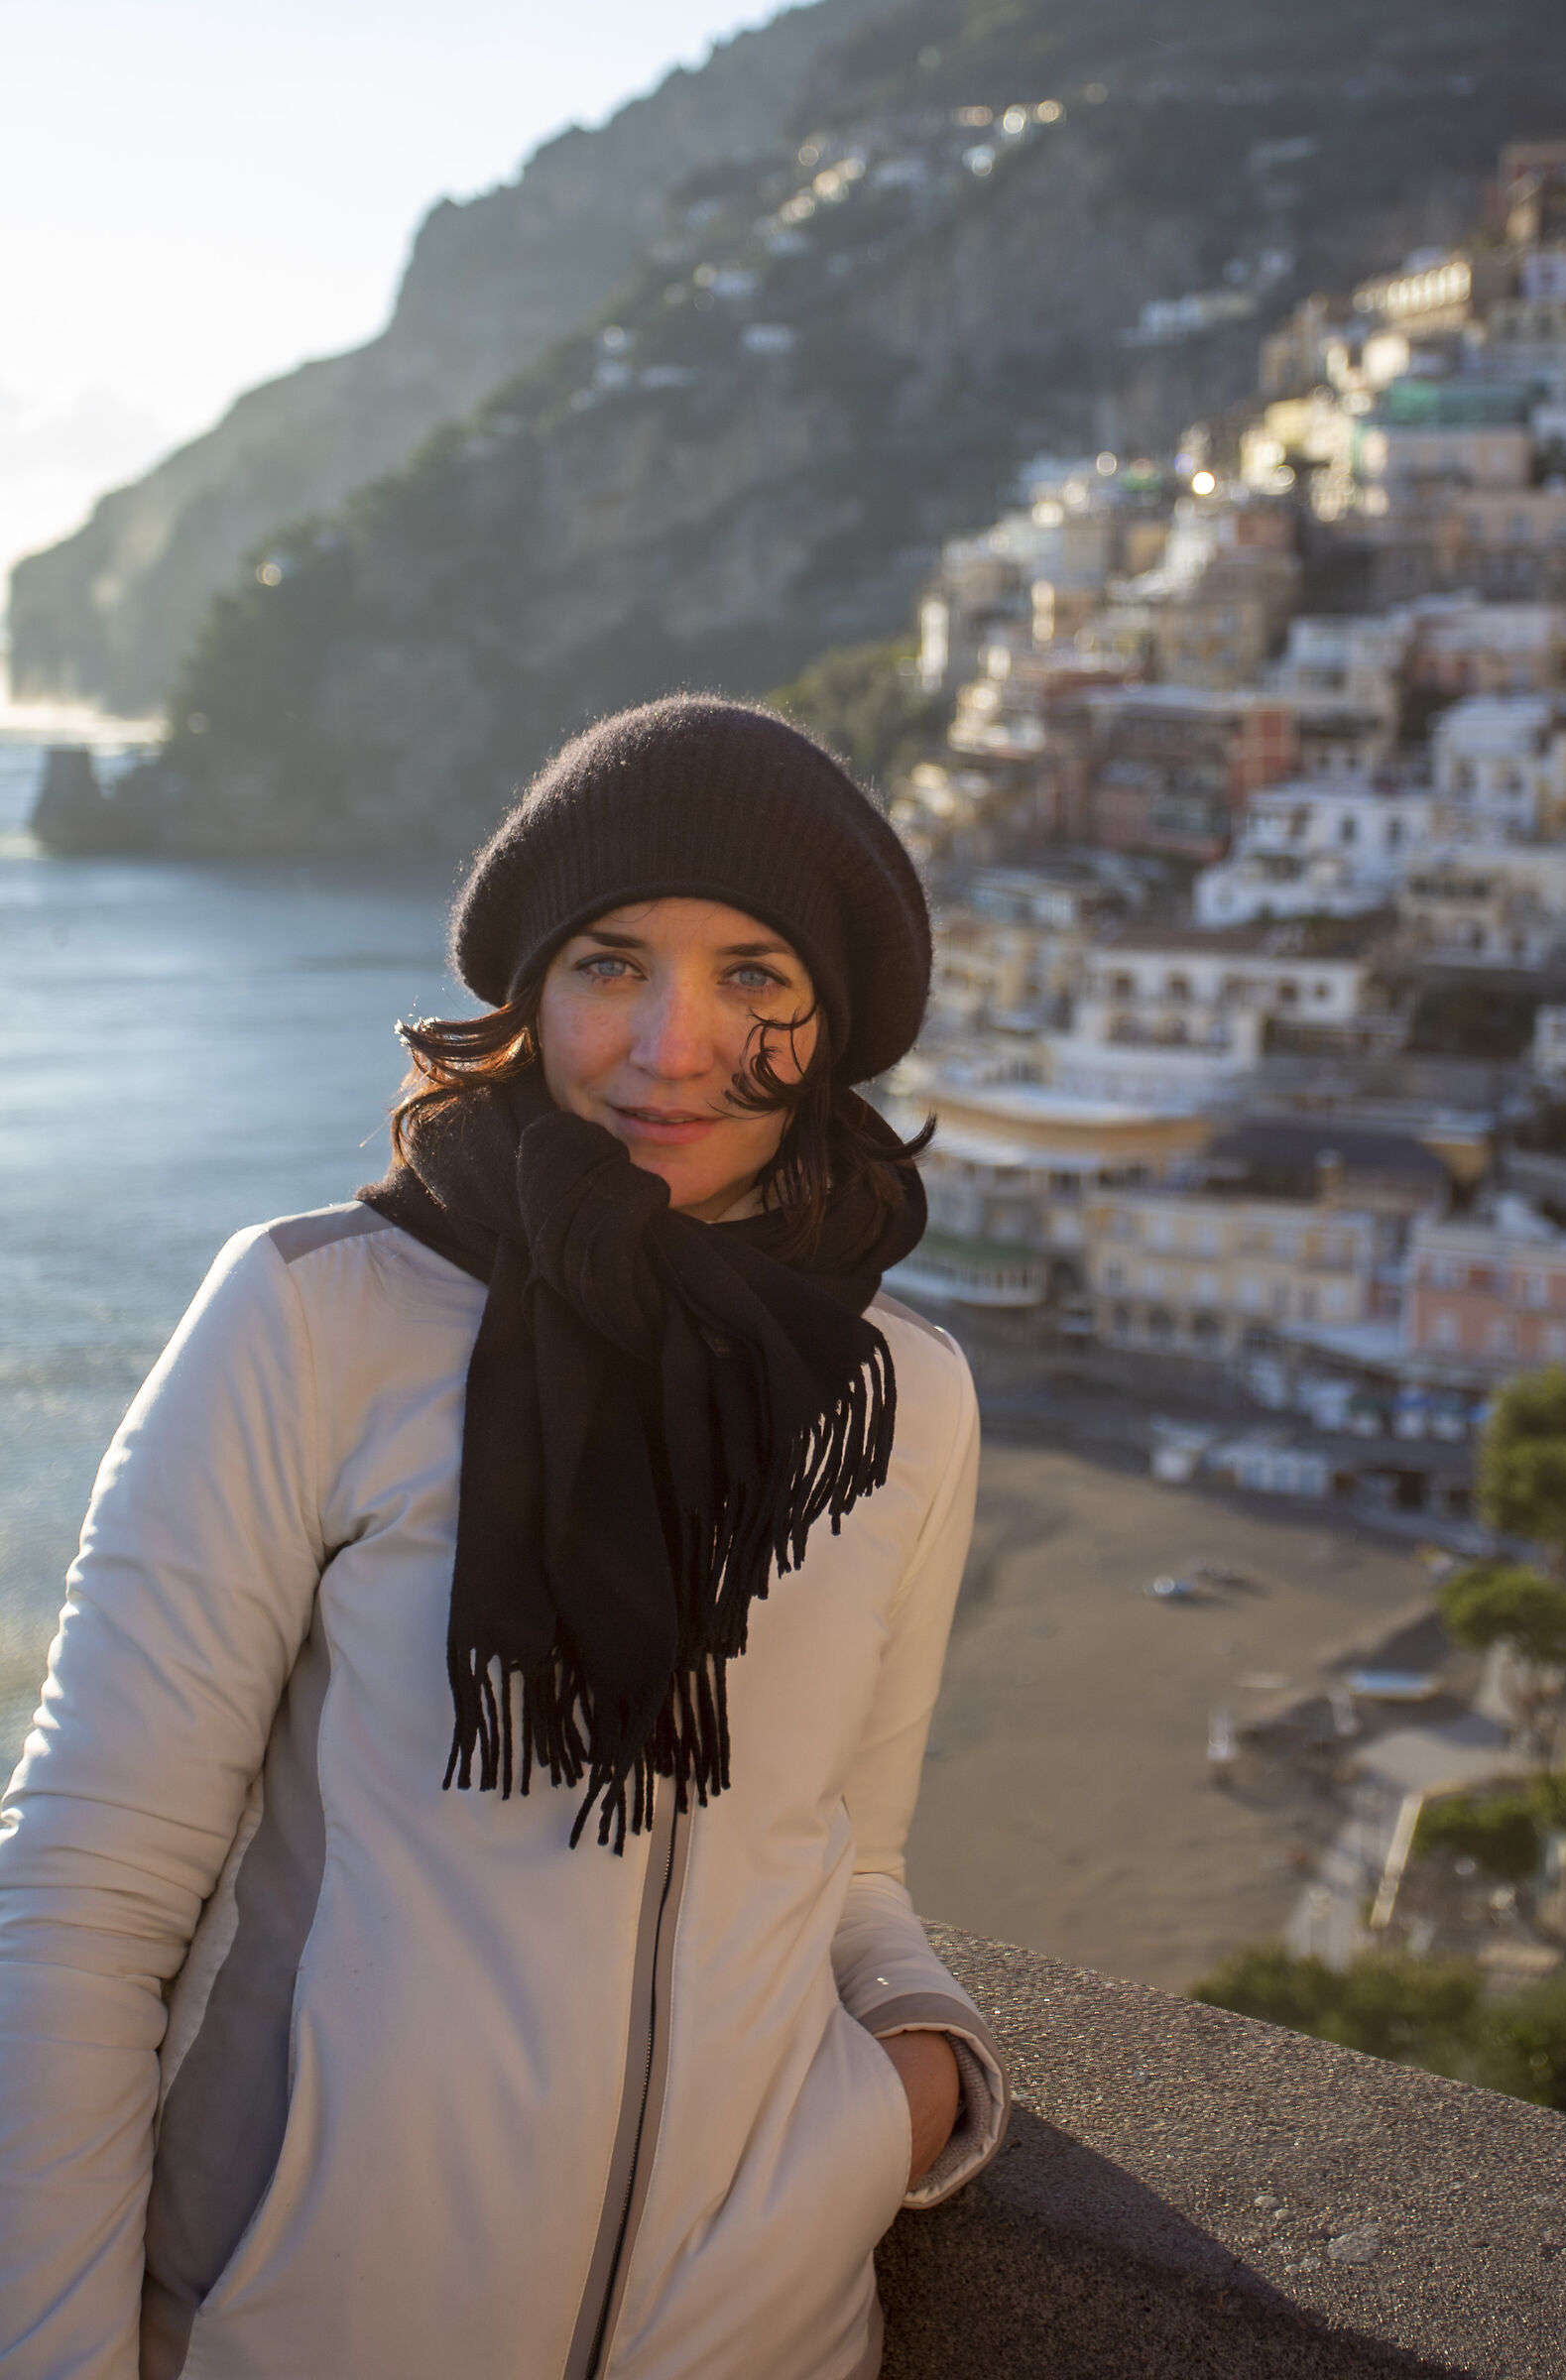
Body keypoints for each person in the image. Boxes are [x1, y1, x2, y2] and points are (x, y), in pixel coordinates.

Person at [0, 697, 1007, 2380]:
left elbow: (849, 1865)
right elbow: (88, 1887)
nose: (669, 1045)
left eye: (755, 974)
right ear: (529, 995)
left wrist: (915, 2082)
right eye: (611, 962)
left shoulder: (897, 1395)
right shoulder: (315, 1315)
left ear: (832, 1024)